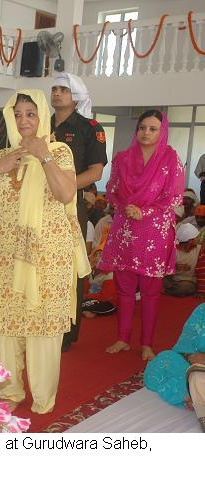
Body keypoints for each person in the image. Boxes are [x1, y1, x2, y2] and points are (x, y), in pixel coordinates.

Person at [0, 90, 89, 414]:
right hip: (4, 258)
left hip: (46, 259)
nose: (24, 120)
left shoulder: (60, 151)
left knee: (42, 330)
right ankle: (8, 392)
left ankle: (43, 399)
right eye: (18, 113)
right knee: (2, 329)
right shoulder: (0, 157)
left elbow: (66, 194)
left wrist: (43, 155)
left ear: (43, 117)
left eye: (31, 113)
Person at [98, 110, 184, 361]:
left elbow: (174, 197)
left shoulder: (170, 159)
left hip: (155, 231)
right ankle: (123, 339)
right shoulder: (123, 158)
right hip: (126, 229)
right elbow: (112, 190)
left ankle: (146, 344)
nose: (146, 132)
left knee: (150, 291)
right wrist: (122, 206)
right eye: (143, 127)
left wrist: (145, 211)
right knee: (124, 289)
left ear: (162, 131)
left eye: (153, 128)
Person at [51, 73, 108, 352]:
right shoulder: (42, 123)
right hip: (39, 203)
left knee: (70, 268)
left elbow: (96, 171)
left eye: (64, 89)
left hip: (71, 205)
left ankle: (65, 333)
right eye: (55, 89)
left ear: (76, 96)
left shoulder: (90, 127)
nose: (57, 93)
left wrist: (63, 186)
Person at [144, 304, 205, 432]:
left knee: (197, 379)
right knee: (165, 359)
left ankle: (196, 399)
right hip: (197, 370)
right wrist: (191, 355)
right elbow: (183, 348)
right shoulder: (202, 311)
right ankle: (194, 396)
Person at [163, 223, 201, 297]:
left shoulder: (199, 249)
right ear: (190, 241)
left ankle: (166, 291)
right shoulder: (174, 250)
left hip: (189, 281)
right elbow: (165, 269)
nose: (199, 239)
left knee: (184, 288)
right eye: (197, 237)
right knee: (160, 281)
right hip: (173, 279)